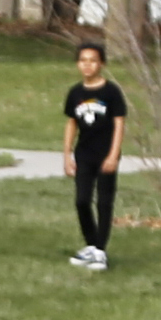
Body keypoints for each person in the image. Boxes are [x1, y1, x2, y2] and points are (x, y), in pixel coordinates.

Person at [62, 35, 132, 272]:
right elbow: (71, 123)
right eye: (83, 60)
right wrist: (66, 155)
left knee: (104, 202)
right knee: (82, 201)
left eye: (93, 60)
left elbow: (119, 123)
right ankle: (91, 246)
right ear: (78, 64)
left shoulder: (111, 92)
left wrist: (113, 155)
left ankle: (100, 251)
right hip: (84, 155)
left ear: (101, 63)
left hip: (106, 154)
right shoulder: (75, 93)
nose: (88, 64)